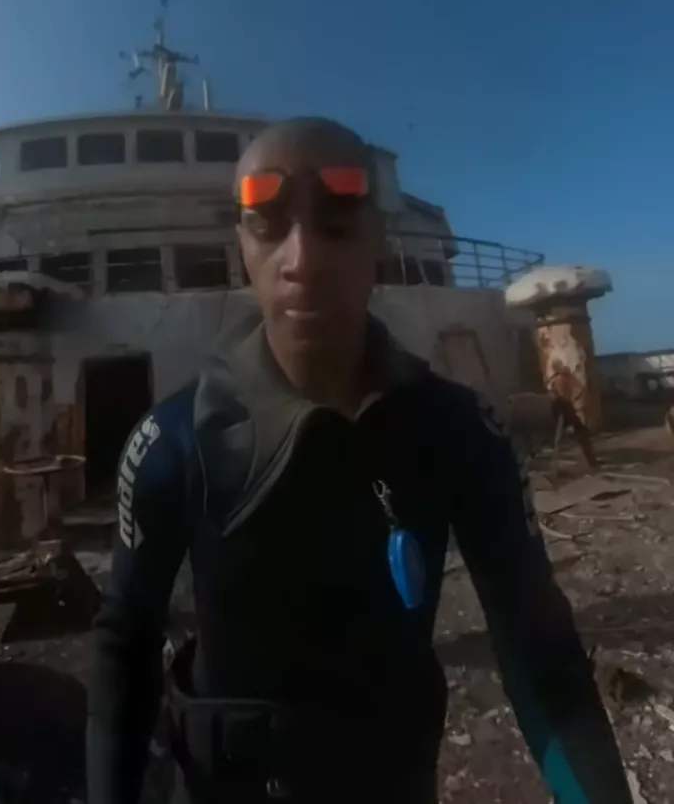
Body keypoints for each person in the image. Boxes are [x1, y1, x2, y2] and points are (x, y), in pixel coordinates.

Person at [85, 117, 630, 804]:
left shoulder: (460, 433)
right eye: (268, 224)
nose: (303, 256)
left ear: (379, 241)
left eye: (338, 221)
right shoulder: (173, 444)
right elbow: (124, 643)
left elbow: (538, 649)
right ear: (242, 247)